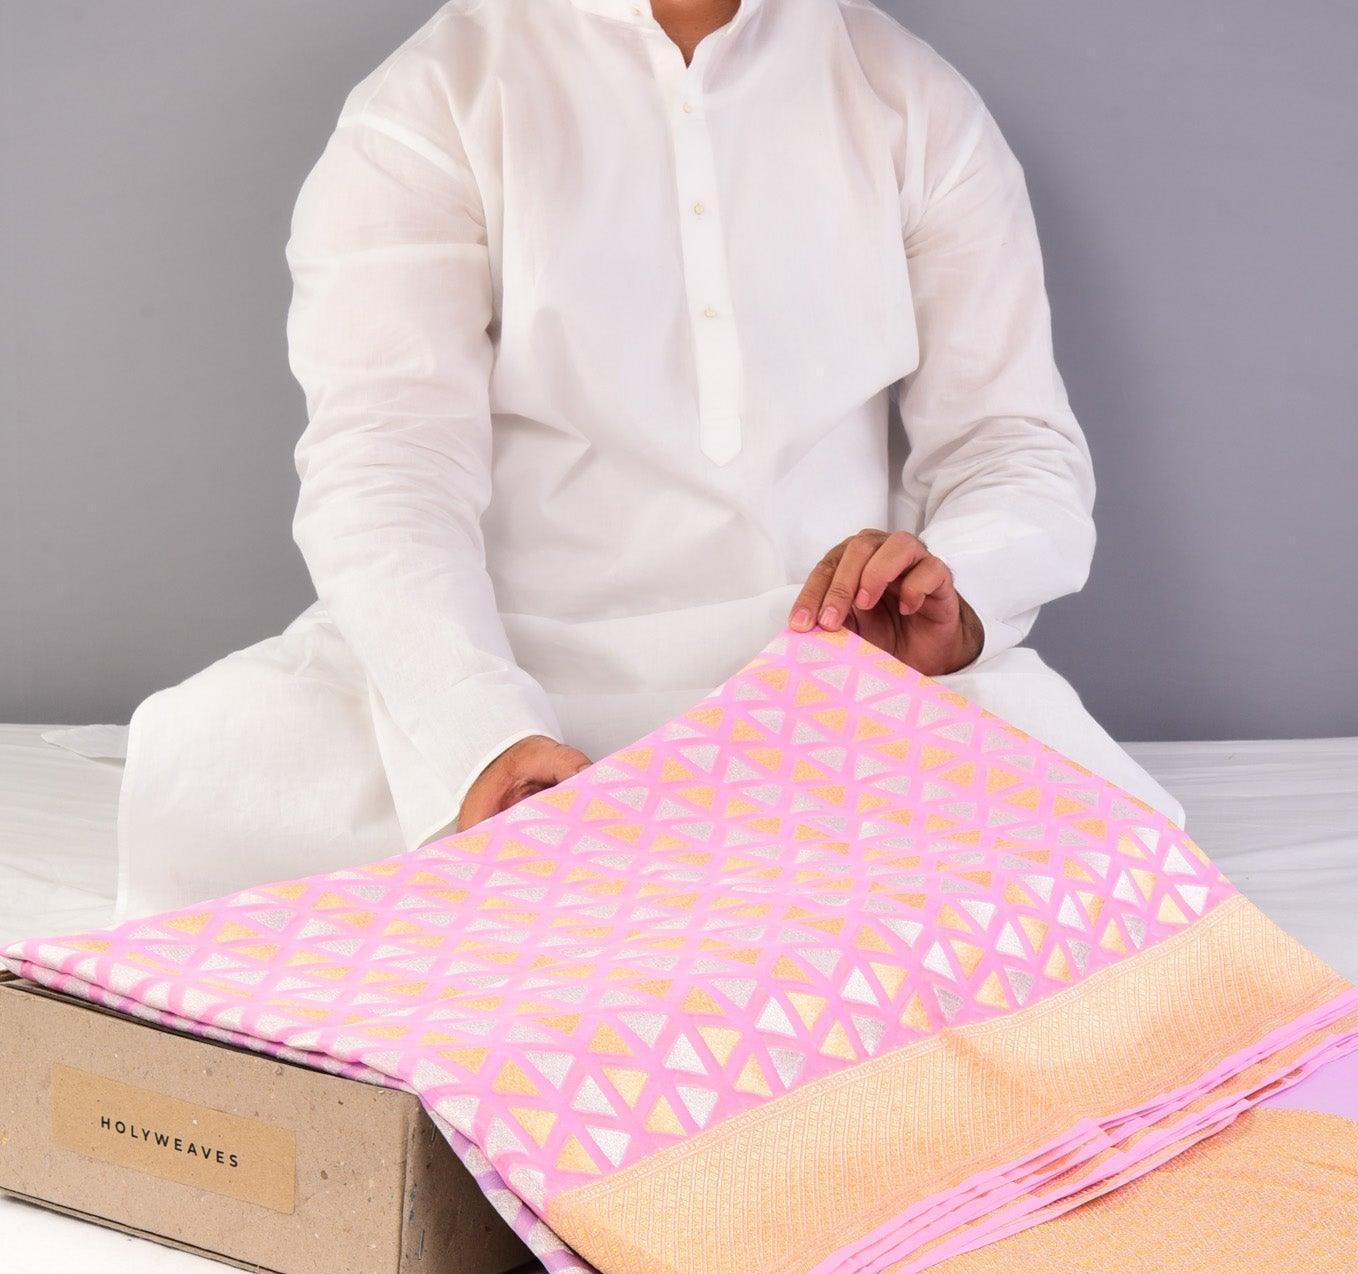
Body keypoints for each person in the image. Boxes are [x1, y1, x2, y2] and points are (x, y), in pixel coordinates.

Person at [113, 0, 1179, 920]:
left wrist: (956, 597)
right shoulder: (435, 97)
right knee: (212, 770)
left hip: (826, 688)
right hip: (518, 671)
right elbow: (385, 468)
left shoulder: (913, 102)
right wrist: (484, 737)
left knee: (1101, 840)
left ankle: (617, 901)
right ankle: (667, 882)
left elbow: (1014, 448)